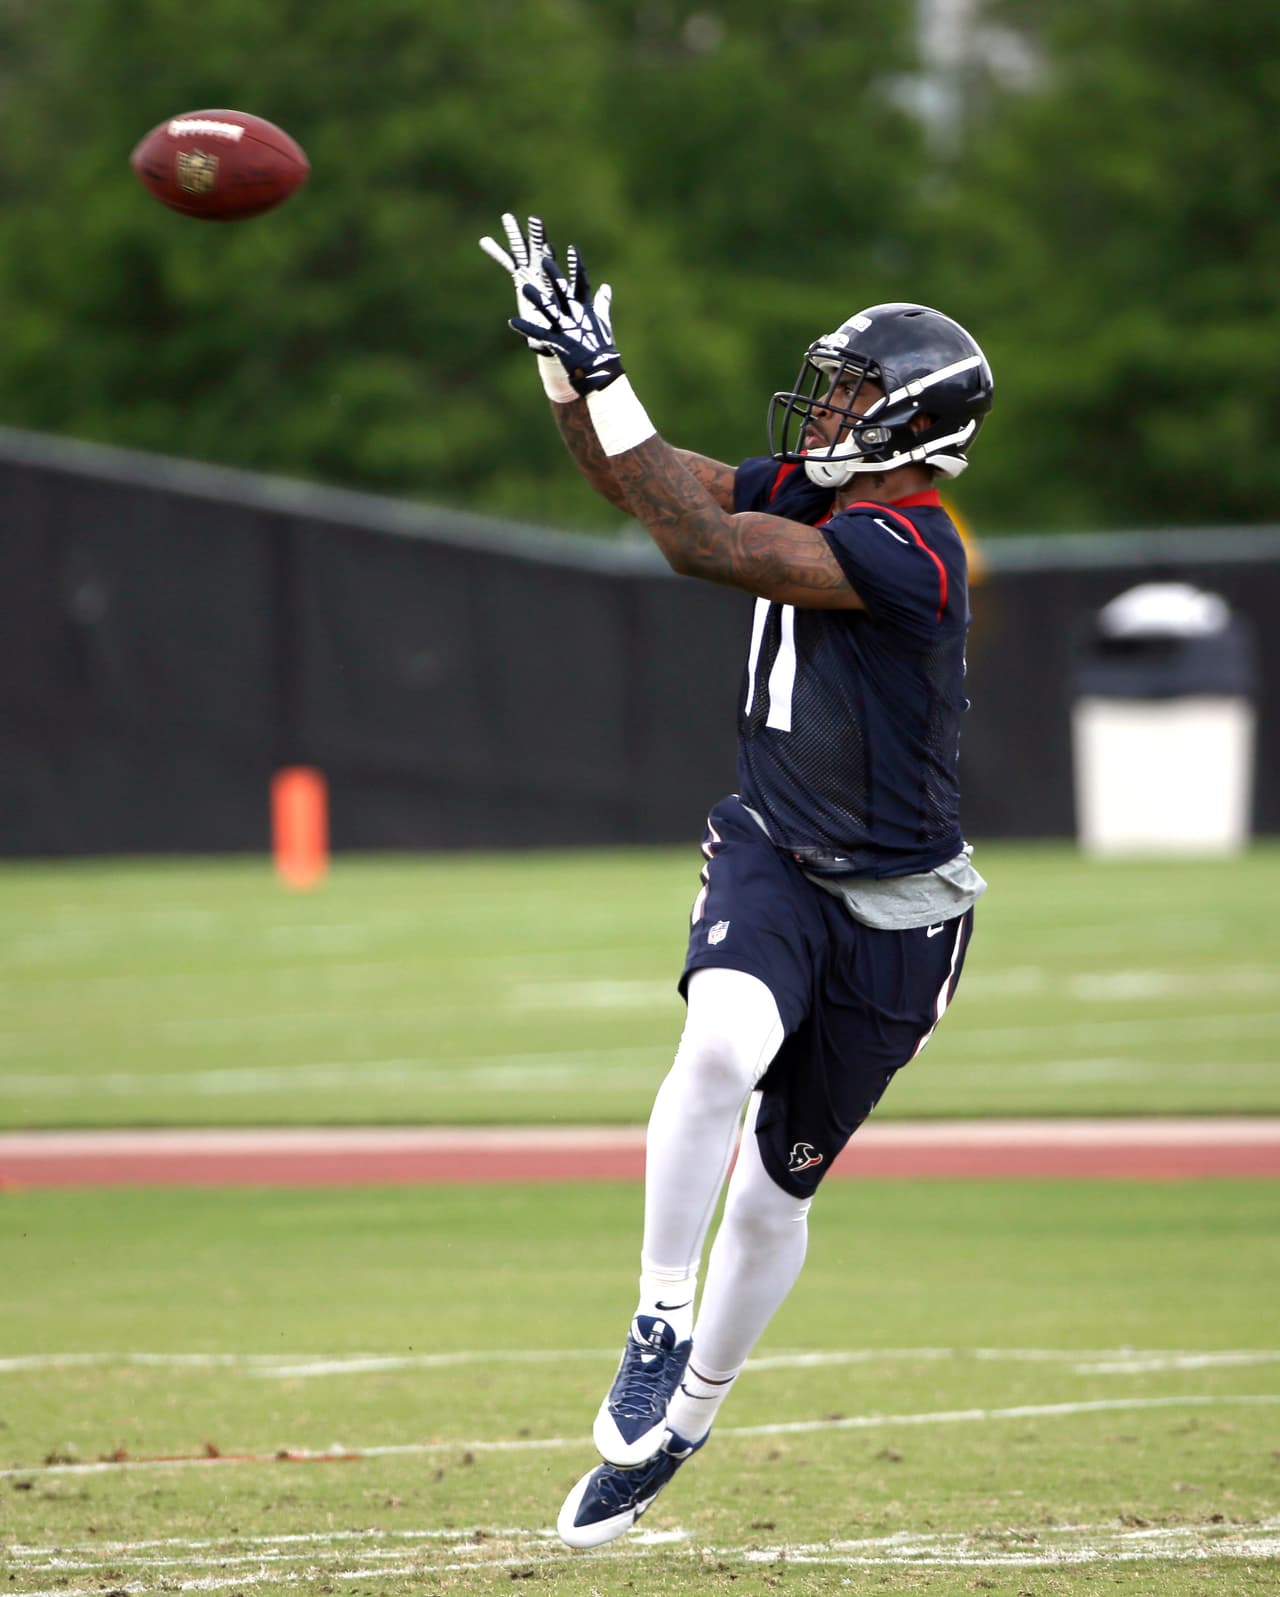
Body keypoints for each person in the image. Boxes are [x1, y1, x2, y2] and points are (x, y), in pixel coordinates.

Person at [480, 214, 995, 1549]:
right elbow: (646, 486)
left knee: (777, 1188)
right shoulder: (817, 490)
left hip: (897, 911)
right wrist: (562, 366)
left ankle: (692, 1411)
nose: (828, 405)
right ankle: (657, 1314)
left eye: (855, 392)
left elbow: (700, 546)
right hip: (775, 843)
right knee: (721, 1041)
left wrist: (608, 372)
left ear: (914, 426)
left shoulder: (916, 549)